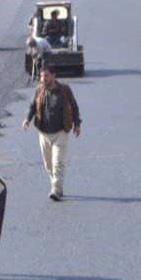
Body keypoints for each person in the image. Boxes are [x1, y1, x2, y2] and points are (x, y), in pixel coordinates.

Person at [22, 64, 82, 201]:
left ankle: (55, 189)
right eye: (42, 76)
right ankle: (57, 186)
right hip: (43, 133)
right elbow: (32, 107)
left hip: (61, 132)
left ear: (54, 76)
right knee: (48, 165)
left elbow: (74, 107)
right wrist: (27, 119)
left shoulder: (65, 90)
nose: (43, 78)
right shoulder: (39, 91)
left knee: (57, 163)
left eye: (46, 75)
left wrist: (77, 124)